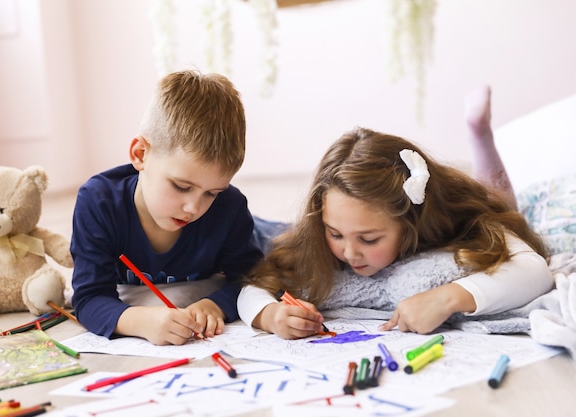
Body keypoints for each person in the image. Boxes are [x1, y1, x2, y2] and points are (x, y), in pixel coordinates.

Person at [237, 86, 555, 339]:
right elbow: (255, 285)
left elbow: (533, 268)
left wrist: (447, 297)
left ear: (410, 222)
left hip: (473, 205)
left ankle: (480, 135)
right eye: (335, 233)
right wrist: (268, 315)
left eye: (369, 238)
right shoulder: (316, 240)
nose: (349, 252)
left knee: (502, 202)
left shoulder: (460, 222)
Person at [71, 70, 263, 346]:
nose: (193, 207)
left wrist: (215, 305)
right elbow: (89, 298)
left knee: (281, 248)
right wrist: (141, 321)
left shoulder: (229, 207)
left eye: (211, 193)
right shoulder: (98, 202)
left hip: (257, 229)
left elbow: (251, 280)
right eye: (181, 187)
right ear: (141, 154)